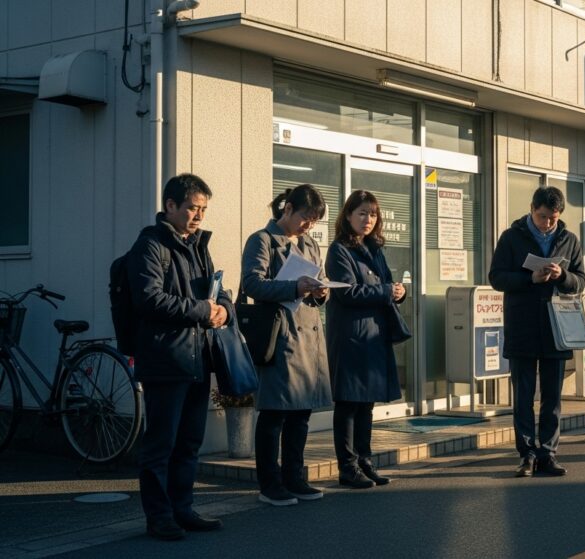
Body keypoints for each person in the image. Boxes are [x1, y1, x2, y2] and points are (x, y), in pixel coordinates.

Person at [127, 173, 233, 541]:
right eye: (191, 208)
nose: (198, 216)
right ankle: (159, 516)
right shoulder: (150, 246)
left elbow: (220, 292)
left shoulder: (199, 246)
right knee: (161, 444)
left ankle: (183, 508)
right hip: (164, 359)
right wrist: (204, 311)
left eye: (203, 209)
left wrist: (224, 311)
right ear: (169, 206)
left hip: (198, 358)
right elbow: (149, 300)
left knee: (189, 442)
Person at [241, 185, 334, 506]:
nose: (308, 226)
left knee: (301, 414)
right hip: (279, 335)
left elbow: (320, 279)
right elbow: (252, 283)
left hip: (308, 334)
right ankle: (270, 483)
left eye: (314, 221)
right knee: (274, 413)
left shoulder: (309, 243)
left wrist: (322, 292)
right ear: (288, 209)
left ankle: (295, 478)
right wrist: (294, 286)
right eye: (306, 218)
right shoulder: (262, 240)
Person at [489, 186, 585, 478]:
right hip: (522, 325)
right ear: (532, 209)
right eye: (543, 217)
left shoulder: (569, 240)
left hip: (557, 326)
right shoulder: (511, 237)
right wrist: (529, 278)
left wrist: (564, 276)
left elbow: (582, 280)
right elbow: (496, 277)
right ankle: (527, 454)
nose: (547, 223)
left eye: (553, 219)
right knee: (523, 395)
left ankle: (548, 453)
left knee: (553, 397)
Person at [325, 190, 406, 489]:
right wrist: (386, 291)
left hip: (373, 335)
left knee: (366, 405)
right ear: (347, 216)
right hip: (350, 337)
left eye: (372, 214)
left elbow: (384, 283)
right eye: (361, 213)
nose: (368, 219)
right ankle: (347, 467)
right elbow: (346, 292)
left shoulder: (373, 247)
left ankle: (365, 461)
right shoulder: (339, 250)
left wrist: (399, 291)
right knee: (348, 404)